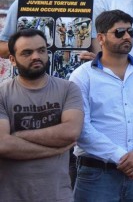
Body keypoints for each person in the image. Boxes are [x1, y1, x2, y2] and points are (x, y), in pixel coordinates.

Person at [70, 10, 133, 202]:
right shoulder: (82, 76)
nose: (127, 37)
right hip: (98, 174)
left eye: (131, 32)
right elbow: (81, 127)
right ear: (101, 38)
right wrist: (122, 157)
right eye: (119, 32)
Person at [0, 28, 84, 201]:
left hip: (57, 195)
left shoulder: (68, 89)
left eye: (41, 50)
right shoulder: (2, 94)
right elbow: (3, 144)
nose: (36, 56)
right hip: (11, 195)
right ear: (12, 60)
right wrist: (55, 149)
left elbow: (70, 132)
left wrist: (17, 135)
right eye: (27, 52)